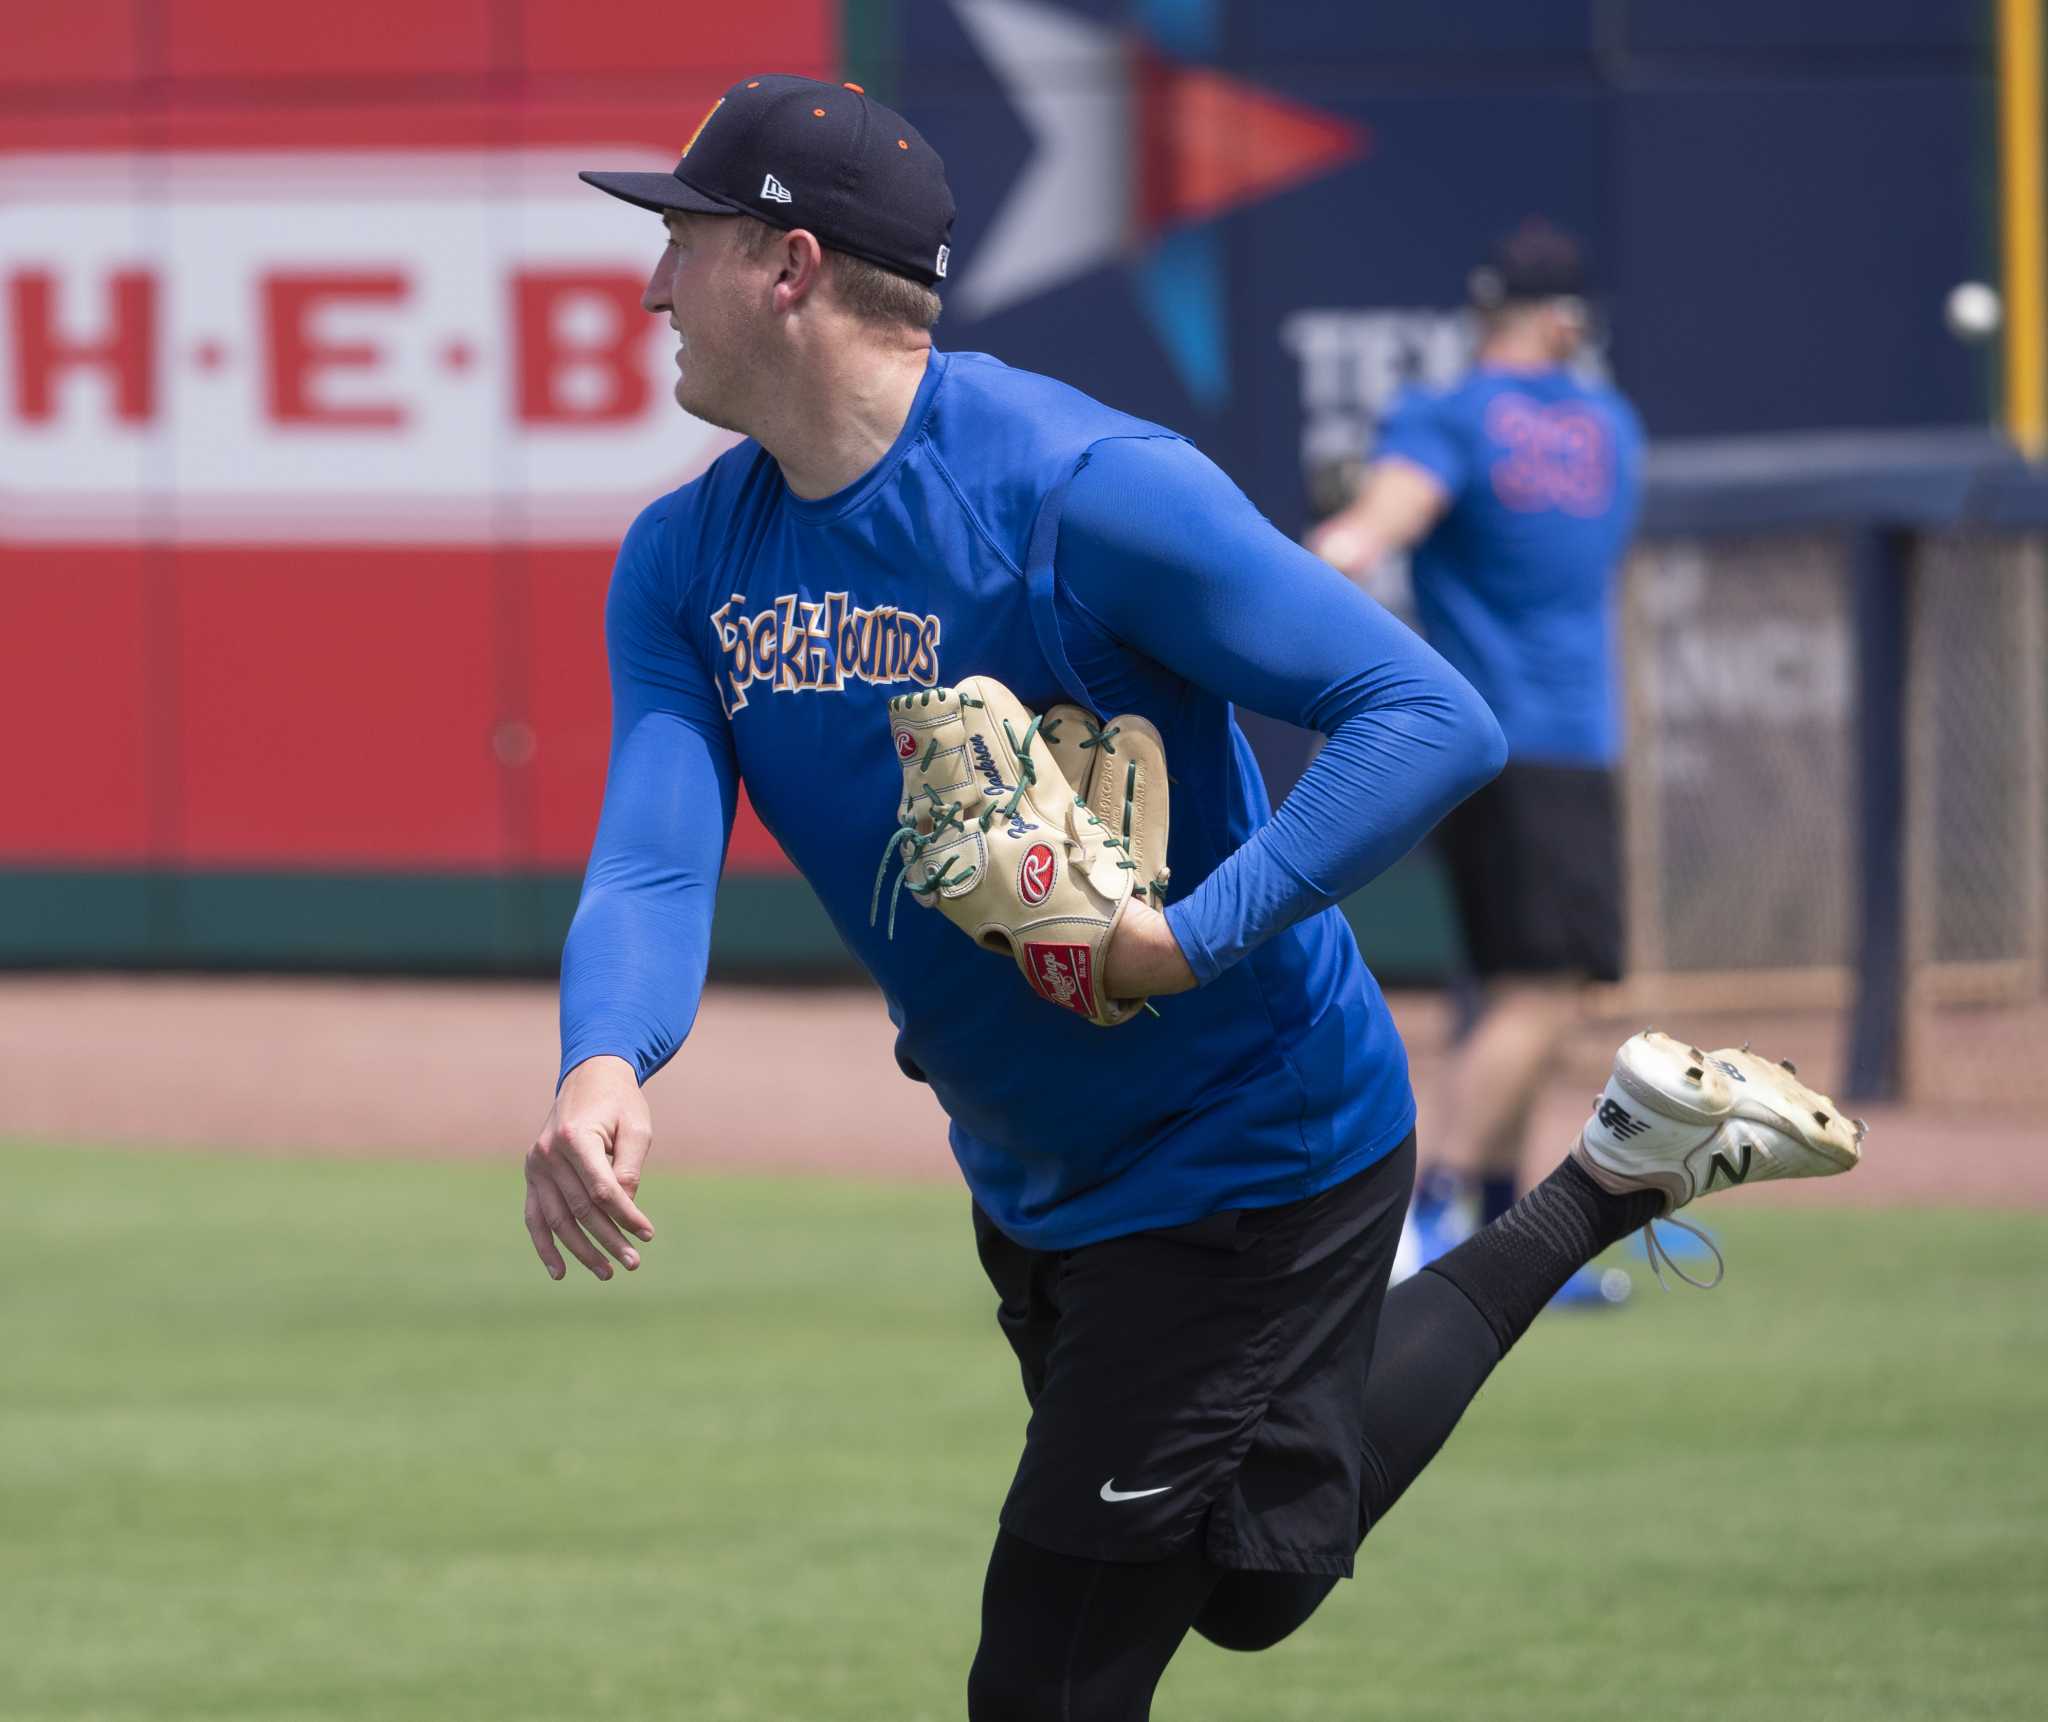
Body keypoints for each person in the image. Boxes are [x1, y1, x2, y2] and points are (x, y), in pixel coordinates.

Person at [527, 79, 1859, 1720]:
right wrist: (604, 1062)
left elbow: (1426, 713)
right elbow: (655, 856)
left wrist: (1186, 936)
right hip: (1035, 1167)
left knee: (1047, 1676)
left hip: (1252, 1140)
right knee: (1247, 1589)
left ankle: (1594, 1182)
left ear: (787, 267)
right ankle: (1603, 1180)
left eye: (684, 238)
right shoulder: (686, 563)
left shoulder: (1079, 488)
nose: (654, 281)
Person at [1307, 222, 1649, 1300]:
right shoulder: (1611, 423)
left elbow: (1369, 532)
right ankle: (1424, 1218)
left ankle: (1510, 1235)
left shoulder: (1447, 413)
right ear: (1566, 322)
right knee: (1539, 994)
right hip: (1551, 741)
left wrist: (1331, 560)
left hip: (1492, 744)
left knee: (1527, 989)